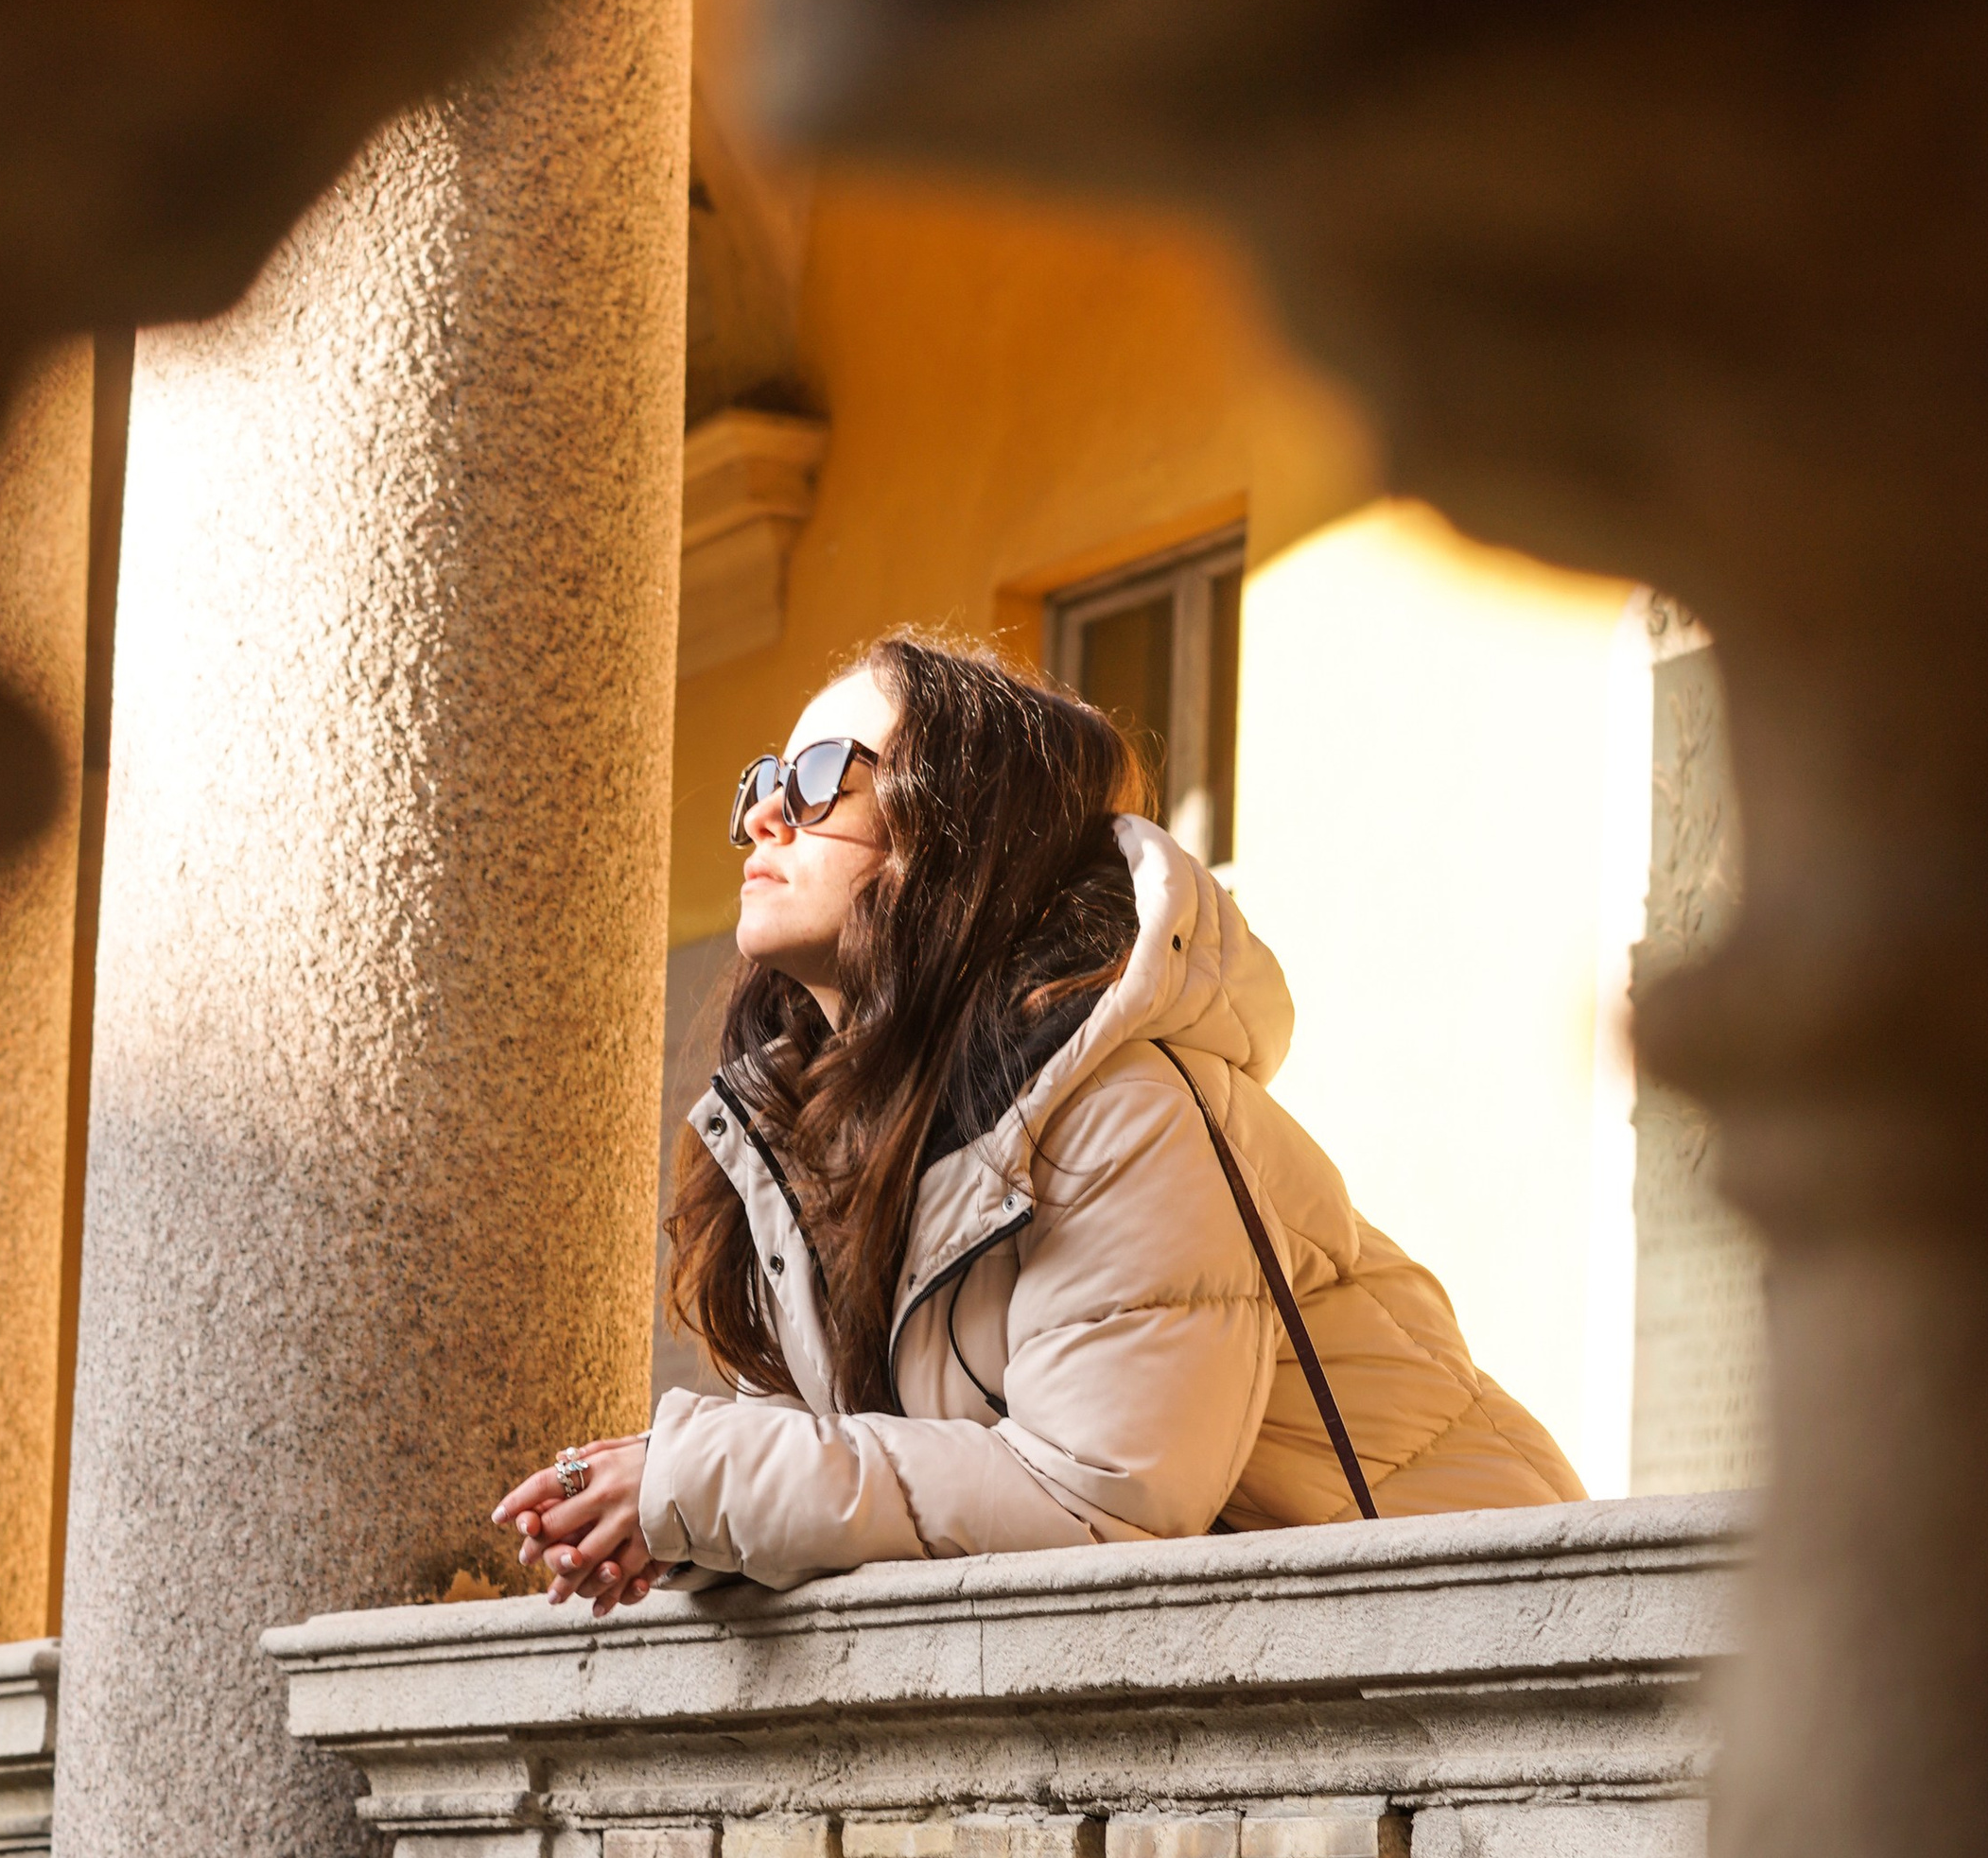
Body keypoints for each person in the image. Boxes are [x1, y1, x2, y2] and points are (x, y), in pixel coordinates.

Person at [496, 629, 1580, 1612]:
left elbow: (1099, 1501)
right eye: (764, 782)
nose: (765, 816)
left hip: (1504, 1637)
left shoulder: (1122, 1111)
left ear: (958, 833)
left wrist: (703, 1480)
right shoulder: (830, 1138)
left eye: (820, 777)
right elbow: (886, 1467)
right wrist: (678, 1513)